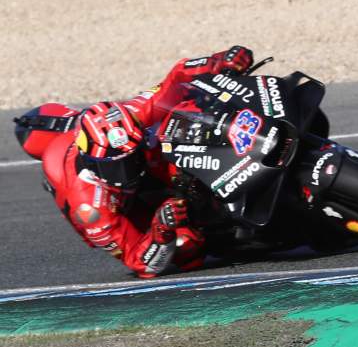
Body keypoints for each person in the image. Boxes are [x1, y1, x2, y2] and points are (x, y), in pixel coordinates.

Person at [13, 46, 254, 277]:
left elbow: (176, 77)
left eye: (130, 159)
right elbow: (141, 263)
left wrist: (219, 61)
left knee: (187, 106)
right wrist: (161, 230)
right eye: (115, 166)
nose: (127, 172)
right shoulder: (90, 209)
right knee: (186, 248)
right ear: (94, 164)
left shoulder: (132, 115)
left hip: (136, 152)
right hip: (127, 208)